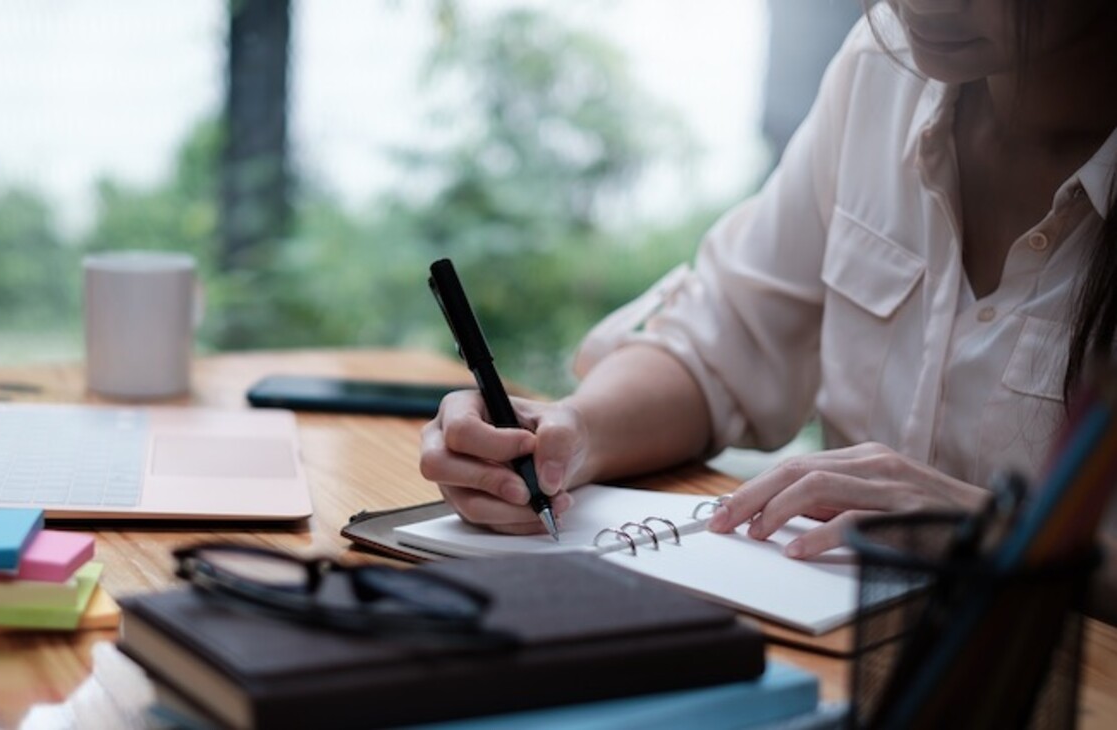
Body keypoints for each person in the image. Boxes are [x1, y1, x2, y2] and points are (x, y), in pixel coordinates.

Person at [419, 0, 1117, 622]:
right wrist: (571, 435)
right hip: (846, 658)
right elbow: (722, 338)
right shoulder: (885, 69)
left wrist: (998, 533)